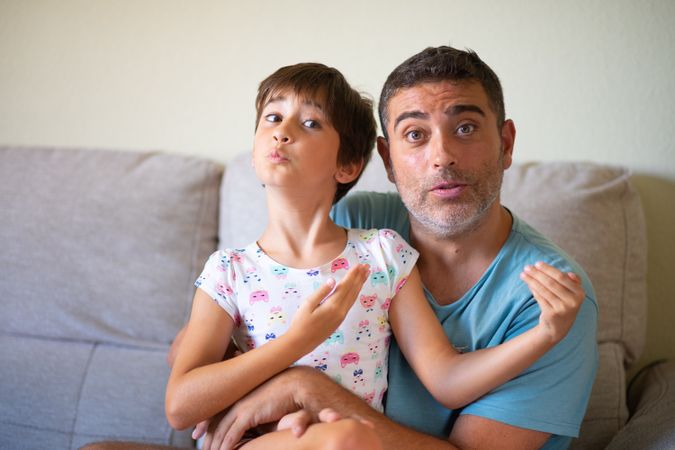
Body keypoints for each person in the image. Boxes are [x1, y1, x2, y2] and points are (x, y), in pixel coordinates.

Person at [163, 58, 587, 450]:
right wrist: (286, 355)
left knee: (346, 439)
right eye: (416, 134)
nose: (442, 157)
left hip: (350, 443)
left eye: (465, 128)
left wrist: (544, 335)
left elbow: (447, 379)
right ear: (386, 158)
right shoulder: (233, 267)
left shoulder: (382, 254)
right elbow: (183, 391)